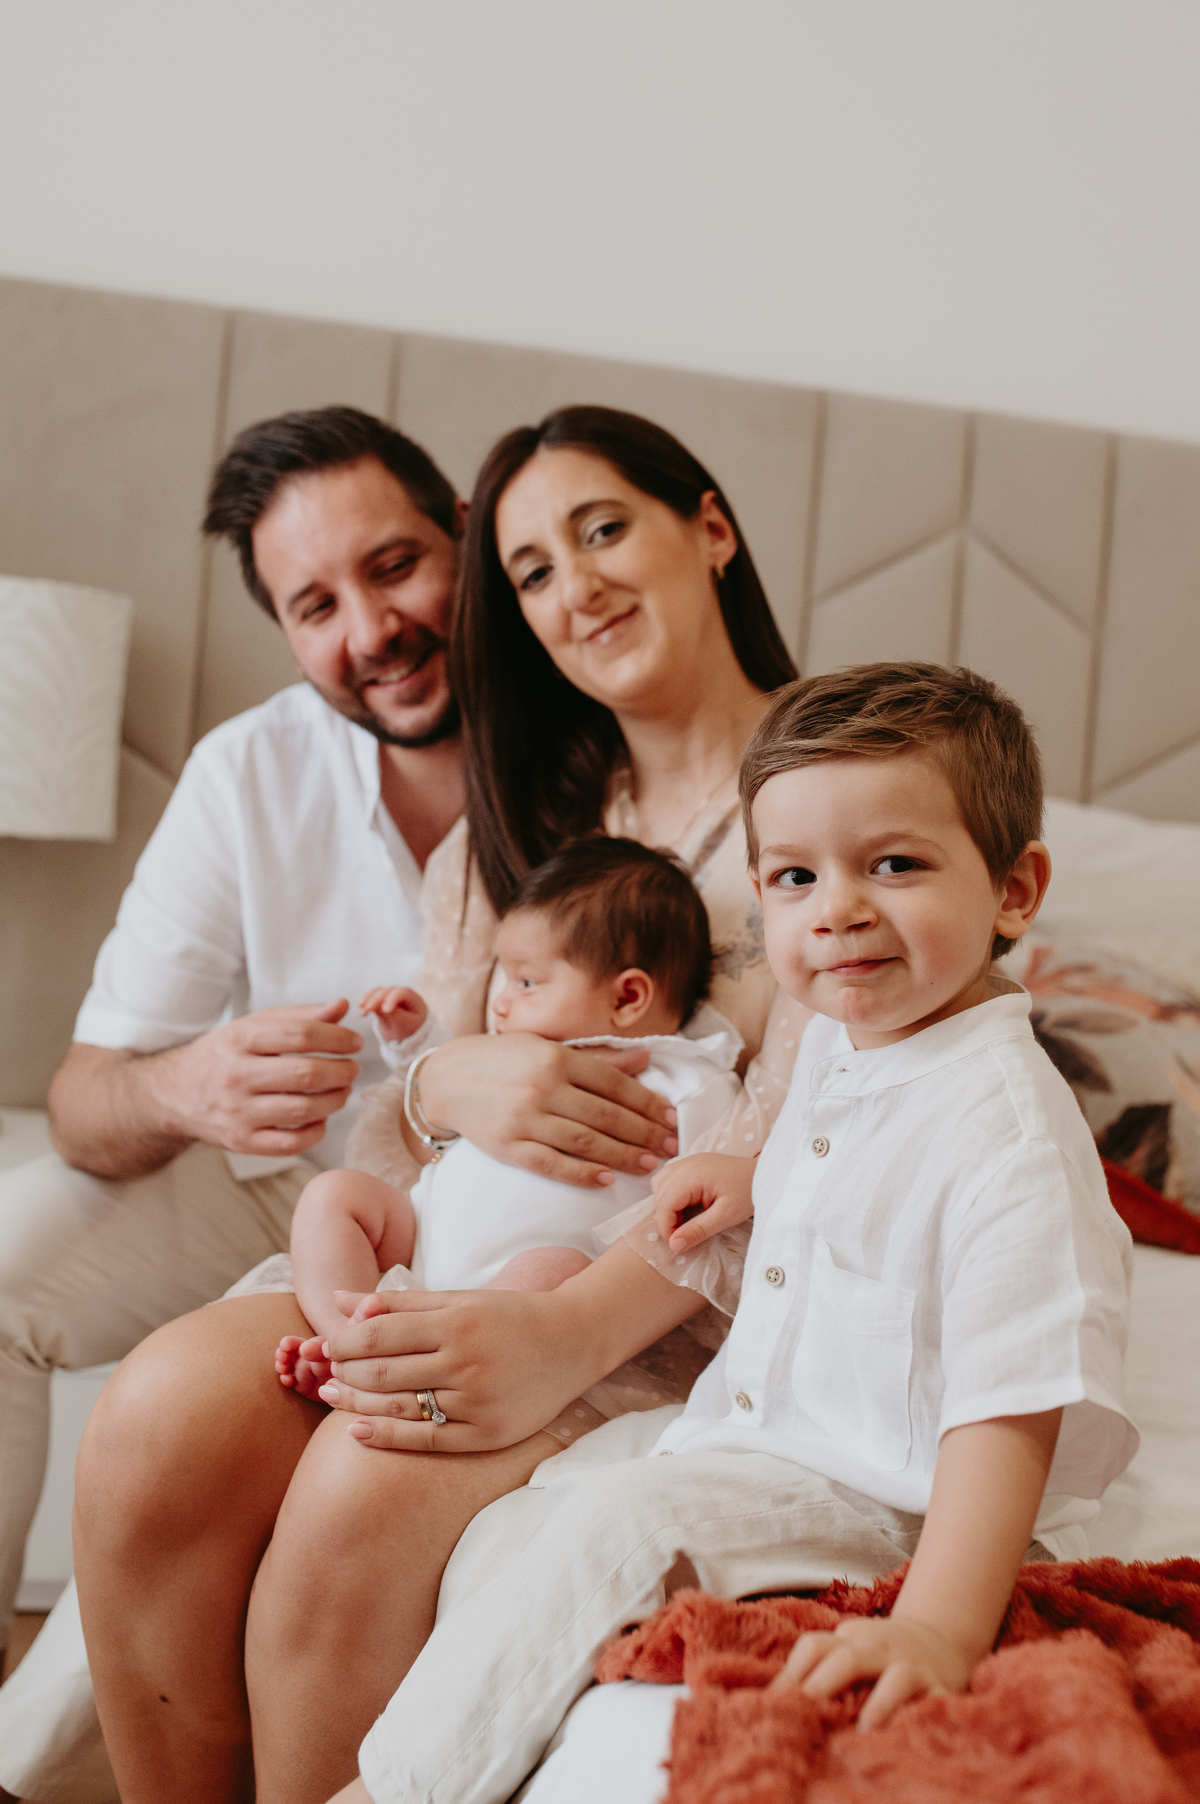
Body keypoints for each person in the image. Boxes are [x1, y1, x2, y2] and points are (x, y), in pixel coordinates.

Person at [69, 406, 799, 1804]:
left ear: (710, 528)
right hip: (445, 1254)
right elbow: (386, 1136)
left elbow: (818, 1144)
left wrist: (561, 1337)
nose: (575, 588)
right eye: (531, 570)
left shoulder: (837, 798)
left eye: (603, 529)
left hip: (655, 1309)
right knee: (157, 1412)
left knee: (364, 1483)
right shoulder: (518, 818)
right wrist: (441, 1078)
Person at [344, 663, 1138, 1804]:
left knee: (616, 1533)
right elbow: (852, 1154)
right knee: (542, 1512)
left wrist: (936, 1627)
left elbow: (1007, 1409)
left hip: (885, 1499)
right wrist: (755, 1175)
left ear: (1015, 890)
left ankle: (396, 1790)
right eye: (796, 877)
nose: (838, 910)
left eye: (895, 865)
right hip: (753, 1435)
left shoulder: (1008, 1135)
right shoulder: (850, 1035)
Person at [0, 402, 475, 1800]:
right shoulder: (250, 771)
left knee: (195, 1437)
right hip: (283, 1183)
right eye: (316, 605)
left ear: (464, 536)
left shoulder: (601, 738)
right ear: (282, 628)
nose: (371, 631)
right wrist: (186, 1084)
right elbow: (85, 1100)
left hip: (488, 1227)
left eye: (396, 566)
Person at [277, 837, 741, 1400]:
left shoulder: (689, 1080)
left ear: (627, 998)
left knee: (550, 1270)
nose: (501, 1002)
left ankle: (407, 1358)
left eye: (527, 982)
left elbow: (720, 1175)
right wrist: (416, 1040)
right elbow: (453, 1090)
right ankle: (345, 1340)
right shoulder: (513, 1052)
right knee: (334, 1194)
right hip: (422, 1232)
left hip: (519, 1284)